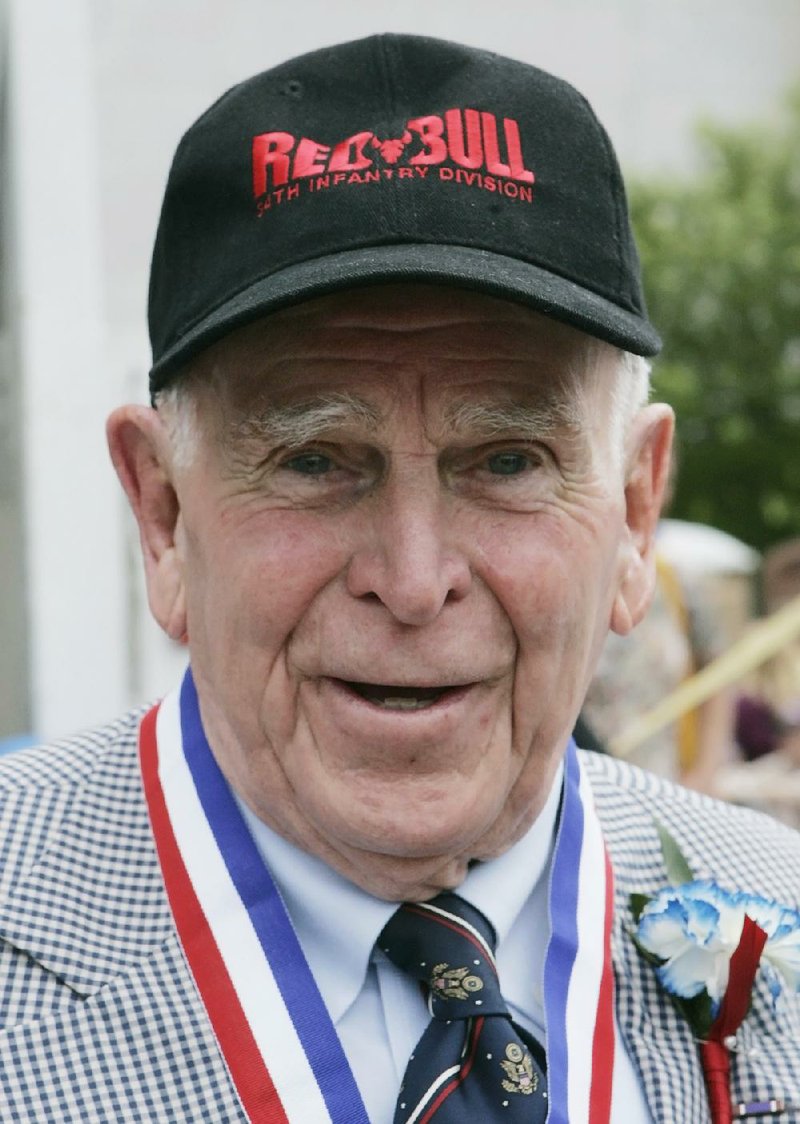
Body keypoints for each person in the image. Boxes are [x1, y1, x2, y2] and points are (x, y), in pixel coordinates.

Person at [1, 34, 798, 1124]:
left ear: (631, 510)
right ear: (163, 512)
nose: (413, 581)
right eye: (316, 459)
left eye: (507, 461)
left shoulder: (778, 914)